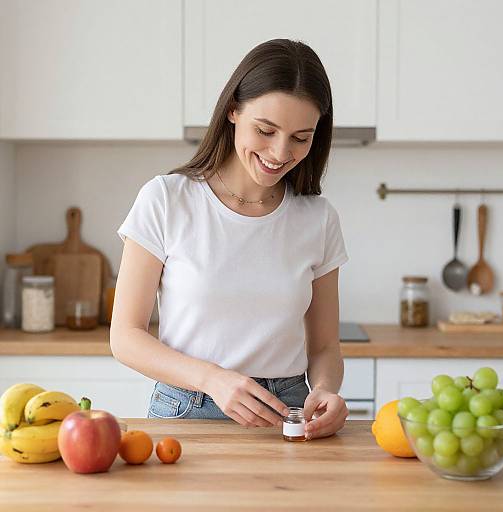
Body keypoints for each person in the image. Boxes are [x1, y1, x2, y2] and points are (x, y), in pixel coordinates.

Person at [110, 39, 349, 440]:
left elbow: (325, 345)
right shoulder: (167, 199)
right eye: (266, 130)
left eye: (300, 137)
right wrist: (214, 380)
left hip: (287, 414)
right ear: (233, 110)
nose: (280, 152)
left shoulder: (318, 218)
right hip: (187, 409)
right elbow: (125, 337)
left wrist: (325, 391)